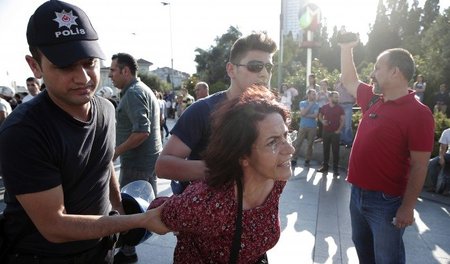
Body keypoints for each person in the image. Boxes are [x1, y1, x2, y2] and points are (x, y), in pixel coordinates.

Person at [0, 1, 165, 263]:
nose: (84, 78)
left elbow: (105, 163)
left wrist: (120, 208)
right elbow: (55, 226)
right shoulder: (24, 131)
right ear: (35, 66)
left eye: (89, 62)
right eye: (65, 67)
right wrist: (138, 220)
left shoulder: (106, 109)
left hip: (100, 251)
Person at [149, 85, 294, 263]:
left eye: (286, 136)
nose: (290, 149)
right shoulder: (211, 204)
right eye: (273, 142)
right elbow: (159, 210)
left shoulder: (275, 179)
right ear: (243, 155)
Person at [340, 37, 434, 263]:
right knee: (364, 253)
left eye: (378, 68)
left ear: (395, 72)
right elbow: (349, 80)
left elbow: (420, 165)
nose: (372, 74)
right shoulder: (374, 100)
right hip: (357, 195)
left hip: (386, 202)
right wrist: (345, 49)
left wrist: (408, 207)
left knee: (387, 259)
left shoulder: (419, 113)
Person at [155, 32, 277, 194]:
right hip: (206, 213)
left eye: (269, 67)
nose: (264, 74)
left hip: (254, 213)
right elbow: (163, 166)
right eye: (255, 66)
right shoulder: (203, 110)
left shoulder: (269, 113)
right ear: (231, 70)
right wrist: (223, 167)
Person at [108, 52, 162, 263]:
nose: (110, 75)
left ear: (125, 71)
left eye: (113, 70)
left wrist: (114, 153)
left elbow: (142, 132)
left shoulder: (133, 93)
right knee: (144, 207)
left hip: (138, 162)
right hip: (148, 160)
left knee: (129, 208)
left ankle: (128, 251)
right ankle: (130, 248)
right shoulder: (142, 89)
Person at [317, 91, 344, 176]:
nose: (337, 98)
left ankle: (335, 169)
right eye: (335, 97)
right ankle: (325, 167)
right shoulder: (324, 107)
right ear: (330, 98)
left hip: (335, 132)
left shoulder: (340, 108)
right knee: (326, 150)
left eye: (338, 97)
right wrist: (322, 121)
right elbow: (320, 116)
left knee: (336, 151)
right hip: (325, 131)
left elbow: (343, 120)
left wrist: (339, 130)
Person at [291, 88, 319, 167]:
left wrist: (306, 115)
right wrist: (310, 105)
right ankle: (294, 158)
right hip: (303, 126)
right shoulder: (302, 103)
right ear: (308, 95)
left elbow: (315, 115)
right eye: (313, 94)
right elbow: (303, 113)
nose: (314, 95)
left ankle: (307, 160)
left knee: (310, 144)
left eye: (315, 94)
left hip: (312, 126)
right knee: (298, 143)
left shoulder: (316, 105)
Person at [425, 128, 450, 194]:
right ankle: (436, 186)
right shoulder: (447, 132)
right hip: (448, 155)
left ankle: (447, 189)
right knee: (432, 163)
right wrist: (441, 158)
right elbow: (442, 147)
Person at [334, 76, 355, 147]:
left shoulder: (350, 86)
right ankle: (342, 140)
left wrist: (351, 103)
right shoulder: (337, 86)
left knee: (348, 124)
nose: (342, 79)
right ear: (339, 79)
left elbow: (355, 96)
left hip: (348, 105)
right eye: (341, 77)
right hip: (340, 106)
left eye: (343, 77)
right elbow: (335, 97)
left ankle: (349, 142)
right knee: (341, 124)